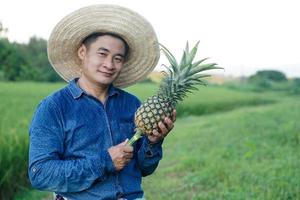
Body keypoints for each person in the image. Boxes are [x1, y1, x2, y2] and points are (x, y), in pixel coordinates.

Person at [28, 4, 175, 200]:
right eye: (102, 54)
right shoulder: (54, 108)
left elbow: (144, 169)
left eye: (117, 58)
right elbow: (40, 174)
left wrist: (153, 142)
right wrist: (105, 161)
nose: (109, 64)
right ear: (82, 52)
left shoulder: (132, 105)